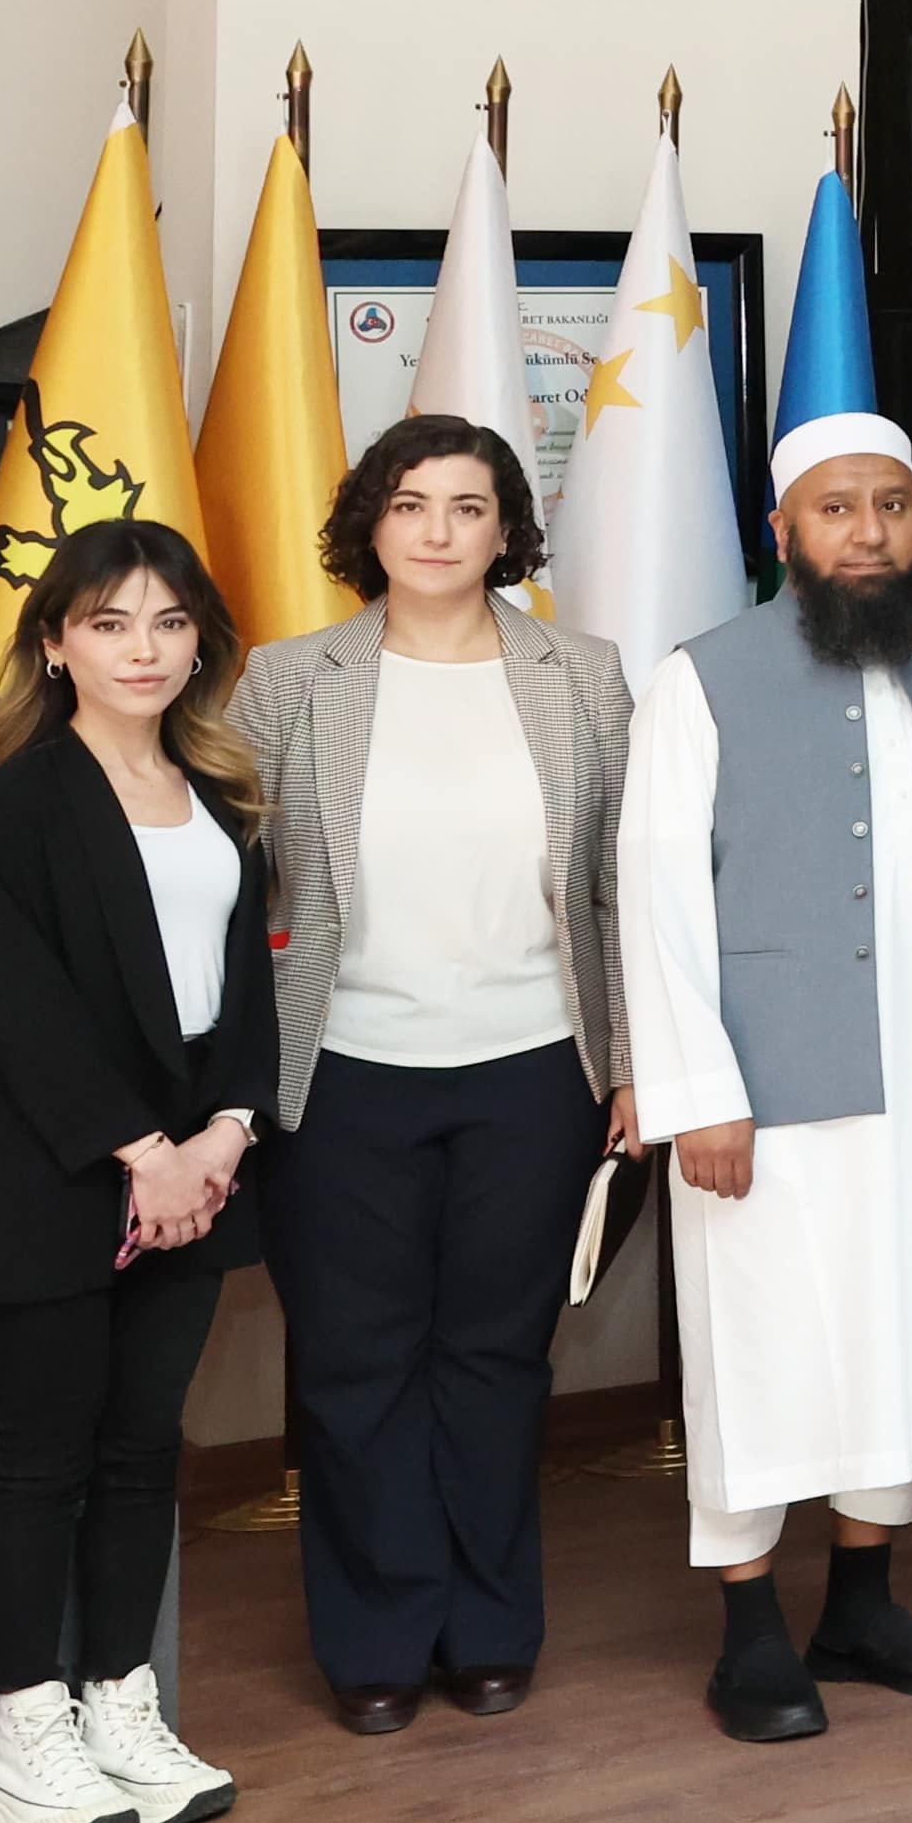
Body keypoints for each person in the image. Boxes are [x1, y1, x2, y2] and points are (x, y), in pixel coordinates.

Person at [612, 416, 912, 1744]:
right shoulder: (700, 679)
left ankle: (861, 1605)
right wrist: (697, 1088)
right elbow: (655, 898)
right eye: (836, 508)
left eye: (891, 505)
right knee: (757, 1349)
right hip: (759, 1097)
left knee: (898, 1342)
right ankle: (750, 1628)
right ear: (784, 531)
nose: (868, 531)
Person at [242, 415, 636, 1731]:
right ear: (370, 519)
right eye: (410, 503)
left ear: (506, 529)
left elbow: (621, 885)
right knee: (355, 1363)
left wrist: (634, 1064)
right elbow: (235, 885)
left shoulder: (583, 673)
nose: (437, 530)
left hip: (534, 1070)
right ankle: (375, 1638)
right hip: (342, 1071)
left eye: (468, 507)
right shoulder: (289, 679)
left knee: (496, 1357)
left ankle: (487, 1627)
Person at [0, 521, 273, 1823]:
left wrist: (226, 1135)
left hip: (200, 1173)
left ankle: (119, 1705)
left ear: (200, 642)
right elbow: (26, 1015)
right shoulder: (8, 809)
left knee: (143, 1452)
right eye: (112, 621)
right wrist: (147, 1154)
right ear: (55, 642)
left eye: (170, 622)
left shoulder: (223, 793)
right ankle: (21, 1743)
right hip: (56, 1177)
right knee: (49, 1459)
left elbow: (249, 991)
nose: (145, 649)